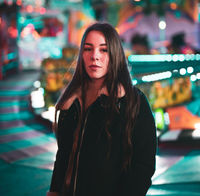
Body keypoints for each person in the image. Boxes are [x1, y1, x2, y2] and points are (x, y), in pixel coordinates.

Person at [47, 22, 157, 196]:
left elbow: (143, 165)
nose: (95, 56)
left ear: (115, 54)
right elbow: (63, 156)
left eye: (103, 50)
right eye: (88, 49)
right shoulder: (71, 101)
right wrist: (54, 190)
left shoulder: (132, 101)